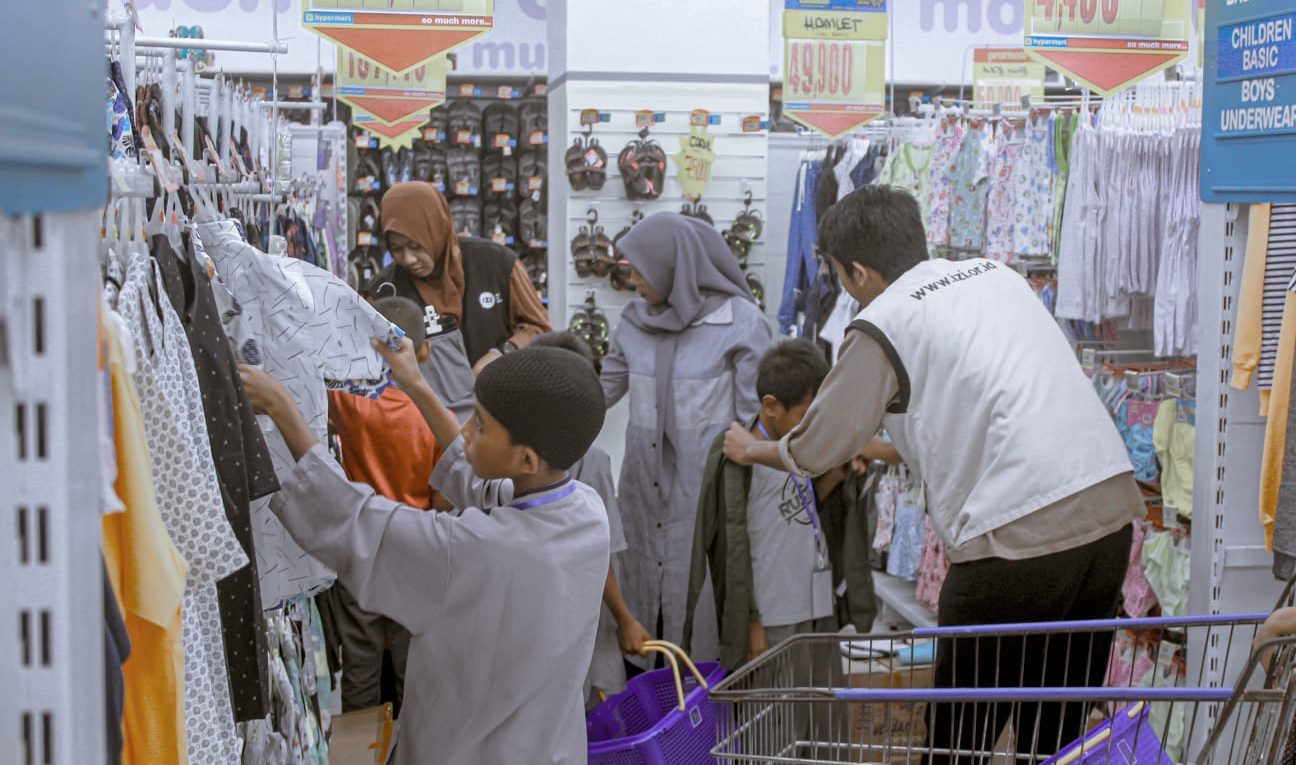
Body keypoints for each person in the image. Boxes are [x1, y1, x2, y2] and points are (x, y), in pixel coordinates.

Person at [723, 185, 1144, 763]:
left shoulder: (882, 322)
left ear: (858, 271)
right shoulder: (995, 276)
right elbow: (969, 414)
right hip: (1108, 511)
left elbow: (816, 448)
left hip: (1015, 534)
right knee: (1055, 725)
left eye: (839, 275)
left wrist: (754, 450)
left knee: (958, 736)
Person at [238, 342, 610, 764]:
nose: (465, 432)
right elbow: (483, 486)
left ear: (526, 459)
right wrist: (415, 384)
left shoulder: (474, 550)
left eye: (480, 426)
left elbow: (355, 522)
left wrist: (283, 408)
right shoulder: (586, 513)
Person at [601, 211, 773, 666]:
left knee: (703, 623)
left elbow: (756, 423)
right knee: (643, 621)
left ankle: (700, 703)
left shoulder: (740, 324)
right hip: (643, 496)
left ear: (671, 267)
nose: (633, 281)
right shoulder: (633, 323)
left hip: (706, 500)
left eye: (640, 270)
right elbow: (598, 394)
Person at [324, 296, 445, 713]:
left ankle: (359, 744)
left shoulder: (347, 403)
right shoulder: (435, 419)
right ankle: (415, 742)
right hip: (415, 548)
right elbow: (443, 501)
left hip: (360, 545)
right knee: (414, 663)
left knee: (360, 661)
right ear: (424, 351)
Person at [529, 331, 652, 705]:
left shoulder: (512, 450)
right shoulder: (590, 459)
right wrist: (625, 618)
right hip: (581, 611)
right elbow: (600, 553)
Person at [366, 182, 551, 376]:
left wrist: (503, 353)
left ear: (437, 232)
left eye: (416, 246)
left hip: (500, 390)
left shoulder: (498, 264)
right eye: (396, 249)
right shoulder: (384, 292)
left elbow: (539, 328)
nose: (408, 259)